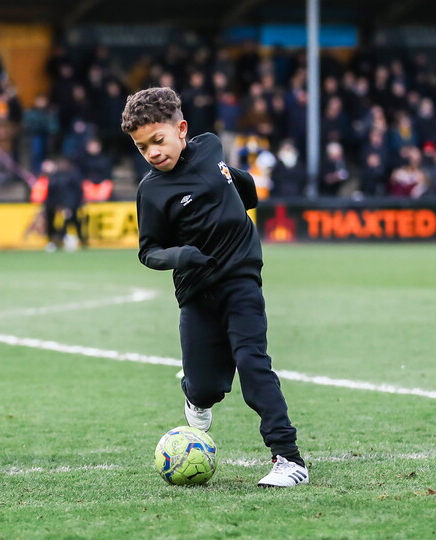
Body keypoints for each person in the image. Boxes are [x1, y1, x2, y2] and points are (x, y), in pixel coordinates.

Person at [121, 87, 308, 487]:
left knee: (253, 364)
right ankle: (194, 393)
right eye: (142, 148)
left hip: (241, 279)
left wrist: (246, 192)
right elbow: (148, 251)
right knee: (207, 386)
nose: (152, 152)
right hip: (196, 293)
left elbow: (229, 178)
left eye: (158, 140)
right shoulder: (151, 192)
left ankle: (289, 459)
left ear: (181, 129)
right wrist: (180, 256)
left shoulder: (210, 147)